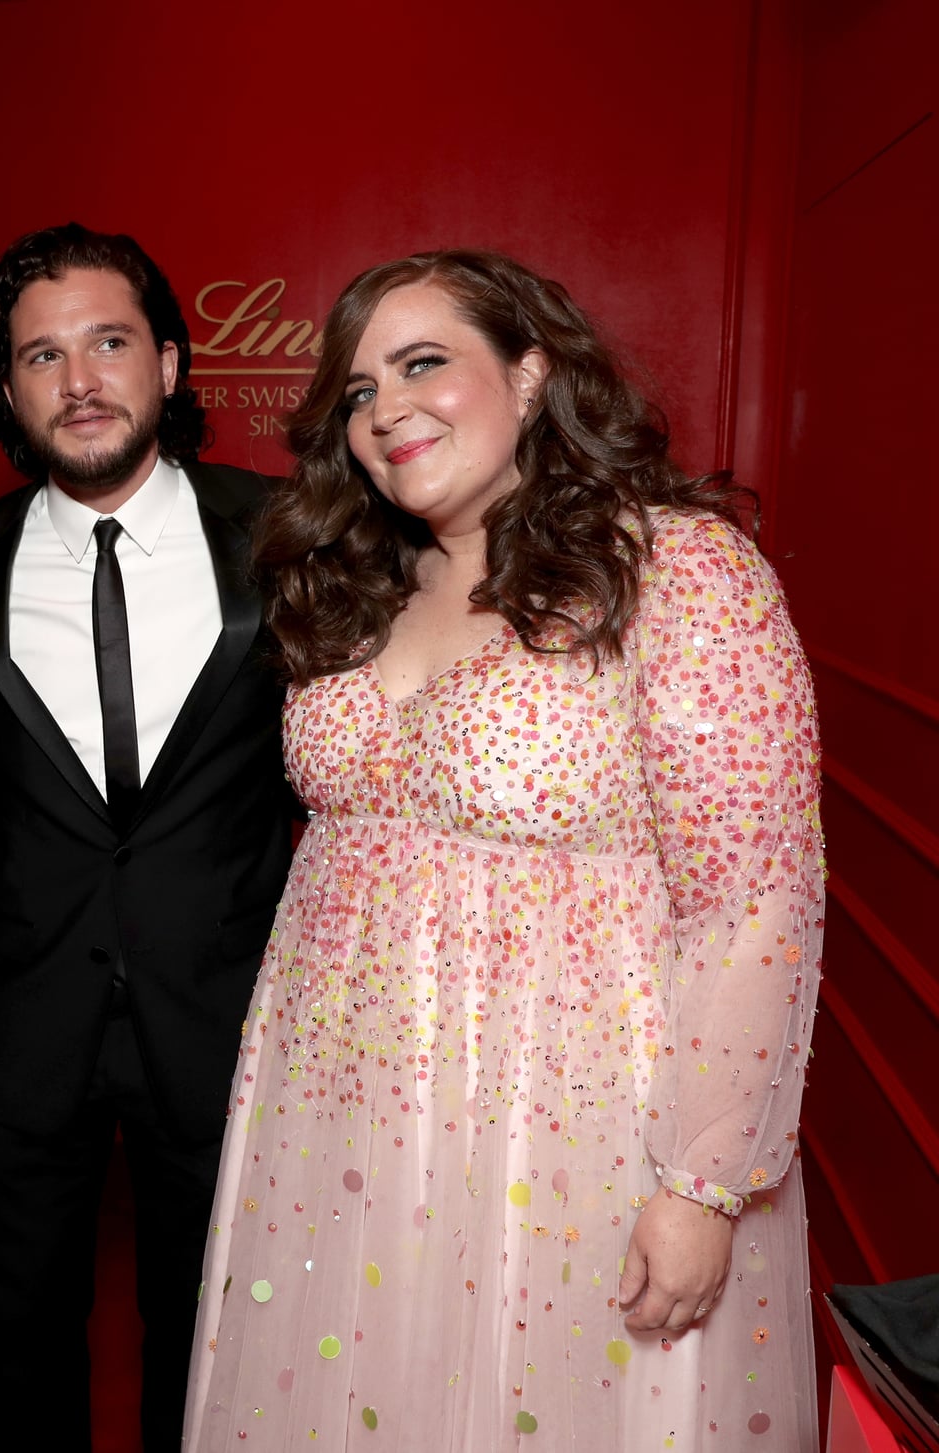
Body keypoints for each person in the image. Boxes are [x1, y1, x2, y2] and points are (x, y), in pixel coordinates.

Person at [185, 250, 823, 1451]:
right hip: (338, 1119)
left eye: (425, 364)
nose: (387, 411)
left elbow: (752, 900)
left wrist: (700, 1181)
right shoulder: (358, 581)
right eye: (359, 391)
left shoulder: (676, 572)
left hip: (567, 1122)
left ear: (530, 374)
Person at [0, 223, 297, 1452]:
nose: (77, 379)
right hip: (23, 1031)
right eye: (40, 356)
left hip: (230, 1026)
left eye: (107, 342)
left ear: (171, 366)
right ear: (10, 390)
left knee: (211, 1358)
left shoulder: (290, 540)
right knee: (23, 1356)